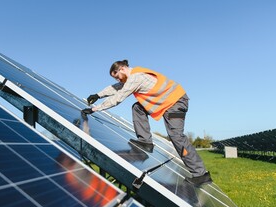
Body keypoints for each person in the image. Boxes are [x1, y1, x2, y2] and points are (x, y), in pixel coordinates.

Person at [81, 60, 212, 186]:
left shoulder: (136, 78)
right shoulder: (132, 75)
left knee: (176, 136)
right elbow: (116, 88)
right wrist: (98, 95)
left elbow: (118, 97)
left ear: (121, 69)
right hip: (168, 103)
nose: (118, 80)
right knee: (138, 107)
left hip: (175, 103)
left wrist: (95, 109)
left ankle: (201, 174)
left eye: (117, 76)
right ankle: (145, 142)